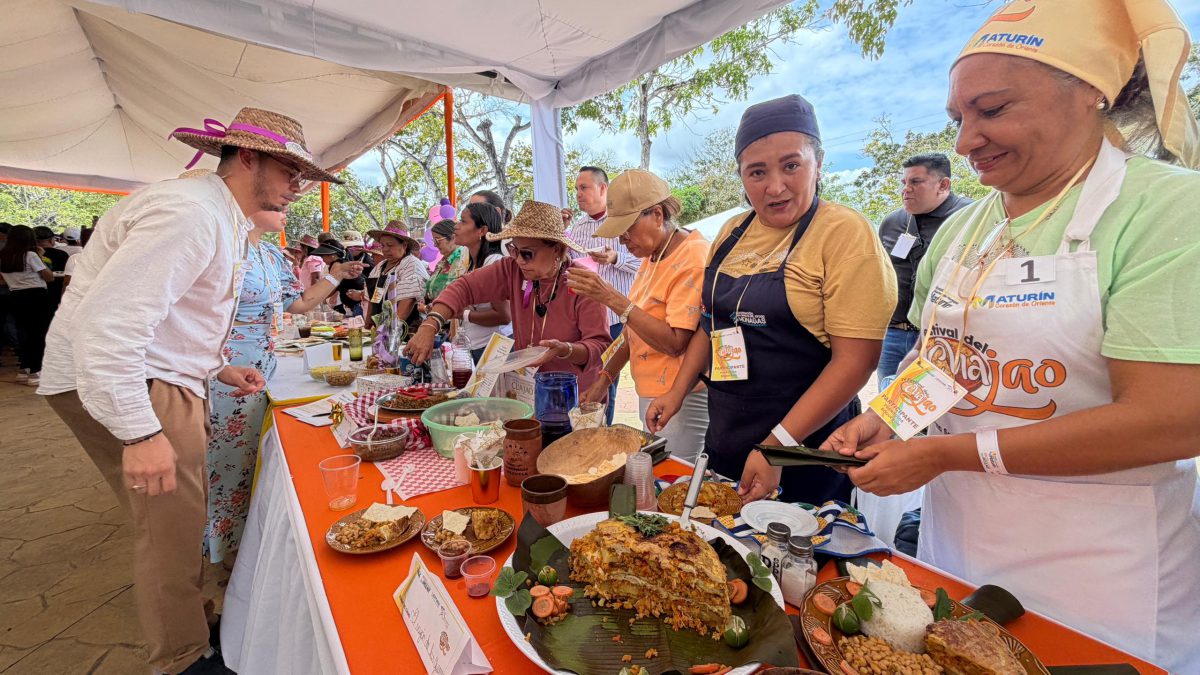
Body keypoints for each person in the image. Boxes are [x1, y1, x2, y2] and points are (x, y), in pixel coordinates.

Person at [823, 1, 1200, 669]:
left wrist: (948, 454)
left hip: (1101, 576)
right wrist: (888, 417)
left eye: (992, 110)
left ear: (1091, 94)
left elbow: (1171, 419)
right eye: (958, 119)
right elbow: (940, 359)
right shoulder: (969, 230)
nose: (966, 140)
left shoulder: (1167, 210)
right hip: (959, 552)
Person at [37, 107, 340, 675]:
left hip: (158, 378)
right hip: (140, 385)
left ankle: (194, 624)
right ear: (247, 157)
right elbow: (112, 327)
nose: (299, 187)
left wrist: (218, 367)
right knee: (169, 534)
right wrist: (140, 429)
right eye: (291, 172)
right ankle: (180, 656)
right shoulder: (190, 213)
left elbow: (173, 315)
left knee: (178, 524)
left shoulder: (212, 214)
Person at [647, 94, 896, 505]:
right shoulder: (730, 231)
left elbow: (856, 362)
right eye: (757, 172)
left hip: (804, 451)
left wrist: (778, 445)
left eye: (791, 165)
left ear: (818, 162)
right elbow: (711, 328)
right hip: (728, 434)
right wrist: (676, 392)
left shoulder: (845, 234)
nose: (775, 186)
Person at [206, 208, 364, 566]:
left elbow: (301, 303)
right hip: (227, 367)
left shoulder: (271, 254)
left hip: (264, 364)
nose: (287, 209)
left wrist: (336, 275)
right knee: (229, 461)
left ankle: (250, 540)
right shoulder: (219, 247)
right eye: (277, 204)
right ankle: (226, 549)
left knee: (253, 454)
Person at [571, 170, 711, 462]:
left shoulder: (692, 258)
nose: (622, 241)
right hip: (653, 393)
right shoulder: (653, 256)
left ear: (657, 215)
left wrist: (611, 297)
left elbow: (676, 342)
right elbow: (634, 329)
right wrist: (604, 379)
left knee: (672, 481)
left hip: (682, 398)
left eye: (626, 230)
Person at [407, 200, 612, 391]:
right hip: (528, 390)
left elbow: (599, 346)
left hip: (575, 393)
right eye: (514, 249)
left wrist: (565, 349)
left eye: (527, 253)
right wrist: (430, 324)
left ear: (558, 249)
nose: (519, 260)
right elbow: (464, 287)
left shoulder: (584, 283)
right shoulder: (512, 269)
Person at [875, 153, 972, 384]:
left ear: (943, 185)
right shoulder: (892, 223)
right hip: (892, 334)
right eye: (904, 182)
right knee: (890, 408)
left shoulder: (969, 219)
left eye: (916, 182)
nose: (905, 189)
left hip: (945, 338)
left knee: (936, 411)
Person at [562, 167, 642, 424]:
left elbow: (644, 264)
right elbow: (568, 264)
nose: (578, 194)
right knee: (586, 378)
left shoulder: (624, 221)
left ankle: (602, 431)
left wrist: (616, 257)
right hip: (586, 319)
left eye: (584, 187)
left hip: (617, 318)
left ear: (603, 189)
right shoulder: (578, 228)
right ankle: (583, 430)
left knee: (608, 381)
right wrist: (561, 233)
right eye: (576, 189)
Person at [363, 222, 429, 366]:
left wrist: (391, 333)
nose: (385, 249)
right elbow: (372, 299)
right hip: (381, 335)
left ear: (404, 245)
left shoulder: (411, 264)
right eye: (383, 245)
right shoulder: (379, 267)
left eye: (390, 245)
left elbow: (409, 300)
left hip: (404, 335)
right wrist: (368, 327)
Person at [454, 203, 513, 361]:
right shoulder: (474, 263)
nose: (457, 226)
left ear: (482, 230)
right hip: (479, 347)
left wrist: (463, 313)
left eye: (463, 221)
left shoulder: (493, 263)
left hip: (493, 349)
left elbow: (504, 315)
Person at [0, 225, 55, 385]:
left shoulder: (3, 256)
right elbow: (48, 276)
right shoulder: (31, 255)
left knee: (23, 332)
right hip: (35, 295)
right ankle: (35, 371)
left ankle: (24, 368)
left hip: (15, 295)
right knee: (38, 333)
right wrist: (42, 258)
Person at [309, 239, 365, 317]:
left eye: (323, 257)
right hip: (356, 303)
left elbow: (331, 286)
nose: (323, 260)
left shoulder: (336, 264)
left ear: (332, 255)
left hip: (357, 304)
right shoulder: (343, 262)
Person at [33, 226, 69, 308]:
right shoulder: (62, 254)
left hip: (35, 295)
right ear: (51, 240)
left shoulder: (29, 255)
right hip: (57, 292)